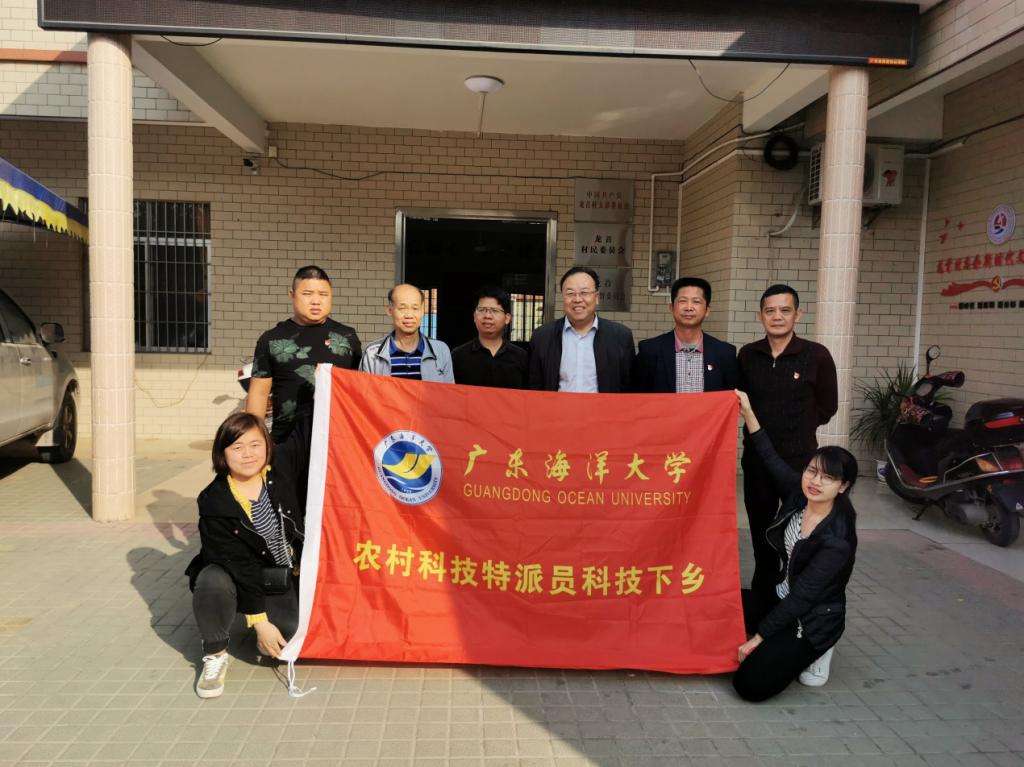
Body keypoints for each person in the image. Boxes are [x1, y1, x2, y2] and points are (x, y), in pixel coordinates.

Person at [733, 390, 858, 701]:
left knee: (749, 684)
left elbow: (802, 598)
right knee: (716, 603)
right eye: (812, 471)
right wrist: (748, 412)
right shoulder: (800, 495)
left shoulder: (837, 541)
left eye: (828, 477)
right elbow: (770, 457)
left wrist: (758, 638)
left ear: (843, 487)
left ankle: (820, 648)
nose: (815, 481)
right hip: (781, 598)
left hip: (812, 617)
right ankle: (776, 639)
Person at [185, 410, 310, 699]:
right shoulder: (214, 500)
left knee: (287, 638)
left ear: (267, 445)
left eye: (255, 444)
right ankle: (215, 653)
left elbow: (305, 432)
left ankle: (266, 624)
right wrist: (259, 621)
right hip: (239, 573)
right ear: (222, 453)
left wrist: (322, 391)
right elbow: (238, 564)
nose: (248, 454)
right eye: (237, 447)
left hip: (280, 575)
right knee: (212, 580)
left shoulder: (281, 471)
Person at [738, 284, 838, 595]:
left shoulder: (816, 355)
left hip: (799, 462)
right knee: (761, 530)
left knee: (800, 531)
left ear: (798, 314)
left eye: (785, 310)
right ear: (760, 316)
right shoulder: (748, 355)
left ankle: (795, 591)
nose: (777, 317)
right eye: (770, 311)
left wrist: (798, 428)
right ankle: (764, 591)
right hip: (757, 461)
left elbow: (828, 406)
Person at [246, 265, 360, 443]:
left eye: (323, 294)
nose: (316, 301)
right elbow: (259, 393)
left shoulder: (347, 337)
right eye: (307, 294)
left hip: (336, 441)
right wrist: (254, 440)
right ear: (292, 295)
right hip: (286, 440)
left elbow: (358, 390)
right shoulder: (271, 339)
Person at [528, 266, 634, 393]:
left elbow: (628, 386)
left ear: (597, 297)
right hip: (557, 406)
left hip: (602, 406)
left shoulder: (620, 336)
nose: (577, 299)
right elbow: (534, 385)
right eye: (570, 293)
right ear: (563, 297)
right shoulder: (542, 337)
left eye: (584, 293)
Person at [632, 276, 737, 393]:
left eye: (696, 302)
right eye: (682, 301)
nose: (689, 308)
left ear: (707, 310)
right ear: (671, 308)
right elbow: (636, 398)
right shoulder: (649, 351)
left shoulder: (725, 353)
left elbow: (733, 398)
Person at [359, 283, 454, 382]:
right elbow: (364, 390)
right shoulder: (372, 354)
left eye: (415, 308)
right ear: (389, 310)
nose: (409, 315)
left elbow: (449, 391)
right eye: (402, 308)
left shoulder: (441, 351)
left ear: (422, 311)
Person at [452, 286, 528, 388]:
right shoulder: (458, 356)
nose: (487, 316)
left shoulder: (521, 357)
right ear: (474, 316)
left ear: (507, 318)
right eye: (482, 310)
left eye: (494, 310)